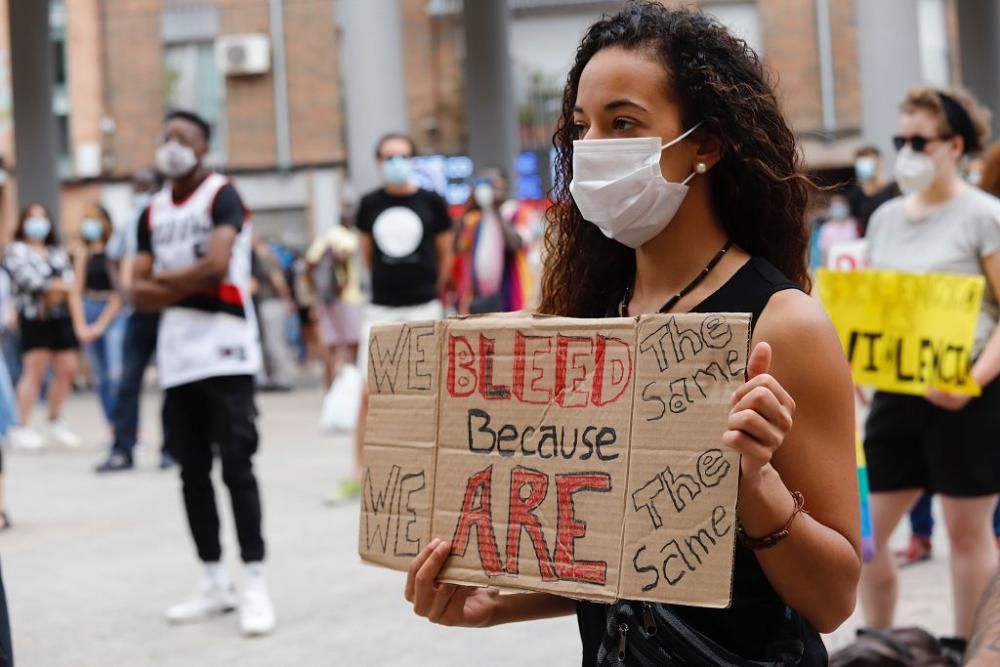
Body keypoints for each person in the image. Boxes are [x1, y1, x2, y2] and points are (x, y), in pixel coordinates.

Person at [403, 4, 860, 663]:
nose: (591, 149)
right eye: (580, 127)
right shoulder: (592, 317)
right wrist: (496, 604)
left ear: (706, 142)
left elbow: (834, 597)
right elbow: (626, 559)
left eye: (623, 123)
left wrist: (753, 485)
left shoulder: (782, 324)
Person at [860, 86, 1000, 645]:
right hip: (897, 391)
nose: (907, 151)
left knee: (968, 538)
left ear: (955, 145)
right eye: (901, 139)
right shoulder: (886, 218)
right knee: (865, 536)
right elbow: (871, 308)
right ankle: (877, 643)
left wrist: (973, 381)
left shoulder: (984, 216)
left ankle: (970, 650)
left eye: (920, 140)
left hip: (968, 393)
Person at [131, 109, 274, 636]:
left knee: (237, 466)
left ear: (203, 147)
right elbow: (134, 290)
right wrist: (172, 285)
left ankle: (254, 580)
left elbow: (217, 265)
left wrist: (163, 282)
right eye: (165, 136)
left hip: (227, 352)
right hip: (178, 360)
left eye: (183, 138)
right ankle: (214, 580)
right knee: (191, 472)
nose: (172, 146)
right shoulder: (151, 211)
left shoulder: (221, 194)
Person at [331, 132, 453, 502]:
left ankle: (434, 470)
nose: (395, 162)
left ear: (413, 160)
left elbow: (445, 255)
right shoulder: (369, 204)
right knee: (370, 392)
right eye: (388, 156)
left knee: (431, 392)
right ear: (378, 162)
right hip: (382, 308)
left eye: (402, 155)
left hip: (425, 306)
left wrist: (433, 289)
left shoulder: (432, 202)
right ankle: (360, 470)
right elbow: (367, 257)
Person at [95, 168, 175, 472]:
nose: (140, 193)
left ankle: (172, 447)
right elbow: (114, 257)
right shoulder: (130, 222)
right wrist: (124, 291)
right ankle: (122, 448)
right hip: (138, 313)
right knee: (127, 383)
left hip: (166, 312)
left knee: (172, 384)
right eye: (136, 187)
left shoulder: (167, 220)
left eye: (145, 187)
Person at [3, 204, 81, 449]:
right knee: (34, 371)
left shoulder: (56, 251)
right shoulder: (16, 251)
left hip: (61, 318)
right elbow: (33, 285)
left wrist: (56, 288)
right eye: (32, 218)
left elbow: (71, 285)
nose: (38, 223)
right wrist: (56, 287)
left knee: (67, 368)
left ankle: (54, 421)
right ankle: (20, 425)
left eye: (42, 217)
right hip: (34, 318)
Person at [70, 204, 125, 439]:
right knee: (100, 377)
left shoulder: (115, 252)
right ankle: (112, 428)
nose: (89, 225)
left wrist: (101, 324)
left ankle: (129, 427)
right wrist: (81, 325)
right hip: (89, 308)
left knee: (116, 373)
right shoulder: (83, 254)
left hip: (113, 313)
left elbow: (120, 292)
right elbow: (76, 291)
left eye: (94, 220)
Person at [453, 168, 530, 314]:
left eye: (491, 184)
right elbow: (458, 247)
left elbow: (515, 244)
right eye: (482, 183)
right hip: (476, 297)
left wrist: (495, 209)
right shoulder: (475, 217)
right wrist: (468, 206)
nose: (486, 188)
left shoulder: (516, 212)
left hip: (508, 294)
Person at [305, 214, 363, 388]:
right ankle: (351, 387)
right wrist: (343, 281)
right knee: (352, 343)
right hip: (347, 297)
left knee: (330, 345)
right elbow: (343, 256)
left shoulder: (325, 236)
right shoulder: (347, 237)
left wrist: (317, 290)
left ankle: (330, 388)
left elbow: (309, 263)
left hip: (326, 299)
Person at [251, 236, 295, 391]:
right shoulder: (265, 257)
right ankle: (274, 378)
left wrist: (287, 299)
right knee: (271, 342)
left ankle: (282, 378)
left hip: (272, 302)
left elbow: (277, 280)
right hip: (268, 303)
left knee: (274, 342)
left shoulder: (265, 257)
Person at [847, 145, 900, 236]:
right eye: (861, 163)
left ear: (879, 162)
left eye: (868, 162)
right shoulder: (855, 194)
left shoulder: (894, 189)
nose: (864, 166)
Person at [817, 193, 860, 266]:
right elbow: (824, 253)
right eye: (835, 207)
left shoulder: (854, 224)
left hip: (853, 265)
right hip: (834, 266)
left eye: (841, 206)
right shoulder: (826, 228)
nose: (838, 209)